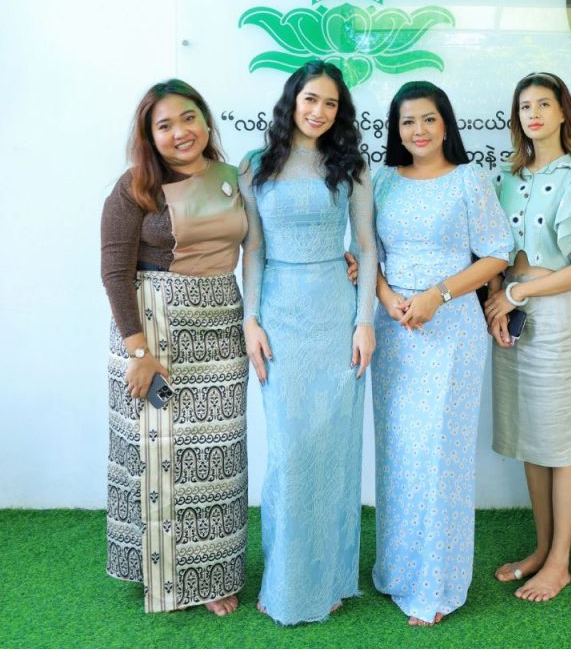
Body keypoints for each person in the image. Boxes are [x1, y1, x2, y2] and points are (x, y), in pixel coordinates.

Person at [102, 80, 248, 615]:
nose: (180, 132)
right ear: (150, 135)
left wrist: (343, 260)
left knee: (216, 457)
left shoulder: (235, 179)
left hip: (221, 326)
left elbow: (269, 242)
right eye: (164, 125)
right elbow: (114, 273)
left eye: (189, 118)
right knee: (157, 451)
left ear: (205, 121)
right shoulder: (134, 187)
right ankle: (160, 573)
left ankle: (211, 575)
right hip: (153, 331)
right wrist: (139, 353)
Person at [239, 61, 377, 625]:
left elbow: (366, 247)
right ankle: (287, 580)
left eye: (331, 104)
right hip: (279, 318)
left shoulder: (351, 165)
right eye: (311, 99)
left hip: (336, 315)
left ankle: (332, 577)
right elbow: (253, 250)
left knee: (333, 451)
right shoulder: (255, 166)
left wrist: (364, 321)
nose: (319, 111)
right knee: (291, 454)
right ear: (292, 100)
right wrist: (251, 320)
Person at [371, 80, 513, 626]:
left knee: (440, 458)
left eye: (429, 119)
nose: (419, 130)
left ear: (446, 123)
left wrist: (438, 295)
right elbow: (366, 253)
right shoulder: (383, 180)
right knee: (398, 454)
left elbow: (498, 253)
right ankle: (396, 571)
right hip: (394, 331)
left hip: (450, 329)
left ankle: (435, 585)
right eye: (408, 121)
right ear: (396, 129)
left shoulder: (468, 179)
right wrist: (389, 299)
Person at [485, 72, 571, 603]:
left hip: (557, 318)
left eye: (544, 104)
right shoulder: (503, 177)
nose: (534, 114)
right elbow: (492, 254)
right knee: (529, 440)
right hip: (508, 315)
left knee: (560, 444)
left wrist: (519, 293)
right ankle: (541, 549)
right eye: (525, 106)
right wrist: (497, 299)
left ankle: (560, 561)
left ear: (564, 112)